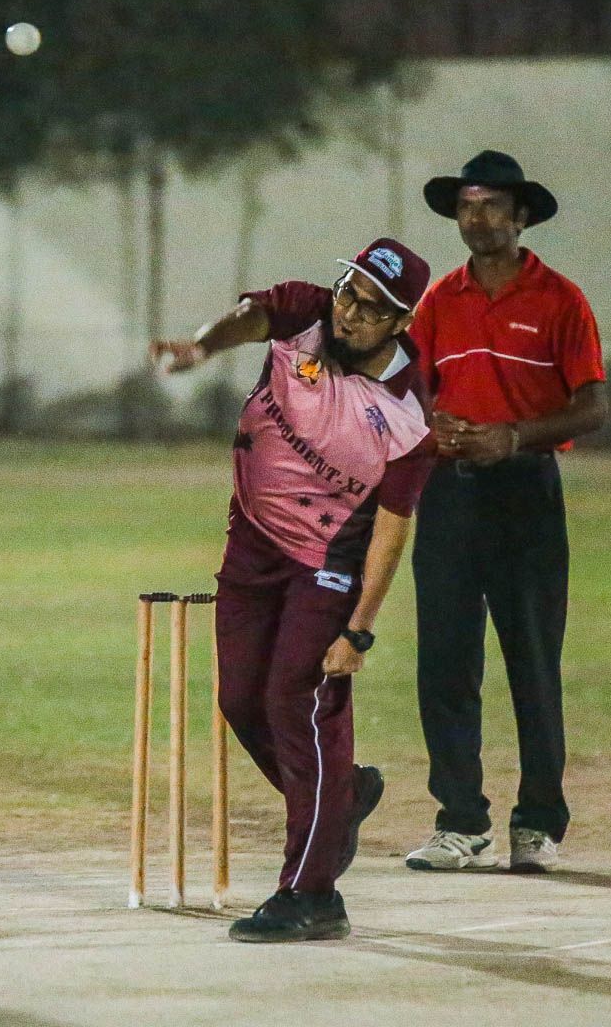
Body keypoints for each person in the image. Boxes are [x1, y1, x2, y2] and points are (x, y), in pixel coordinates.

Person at [151, 238, 433, 942]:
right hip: (252, 539)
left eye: (371, 309)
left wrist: (359, 629)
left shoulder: (408, 411)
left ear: (401, 322)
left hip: (327, 562)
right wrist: (201, 347)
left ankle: (312, 895)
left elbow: (393, 528)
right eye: (348, 293)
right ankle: (342, 796)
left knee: (295, 702)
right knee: (241, 699)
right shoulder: (307, 312)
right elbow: (251, 316)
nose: (349, 314)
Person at [405, 150, 607, 874]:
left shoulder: (560, 299)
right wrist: (433, 427)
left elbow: (594, 405)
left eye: (492, 205)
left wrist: (513, 437)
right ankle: (461, 823)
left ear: (521, 217)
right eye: (467, 206)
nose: (477, 218)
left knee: (532, 661)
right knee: (445, 663)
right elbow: (412, 391)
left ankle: (538, 823)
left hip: (526, 493)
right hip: (449, 495)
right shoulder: (440, 300)